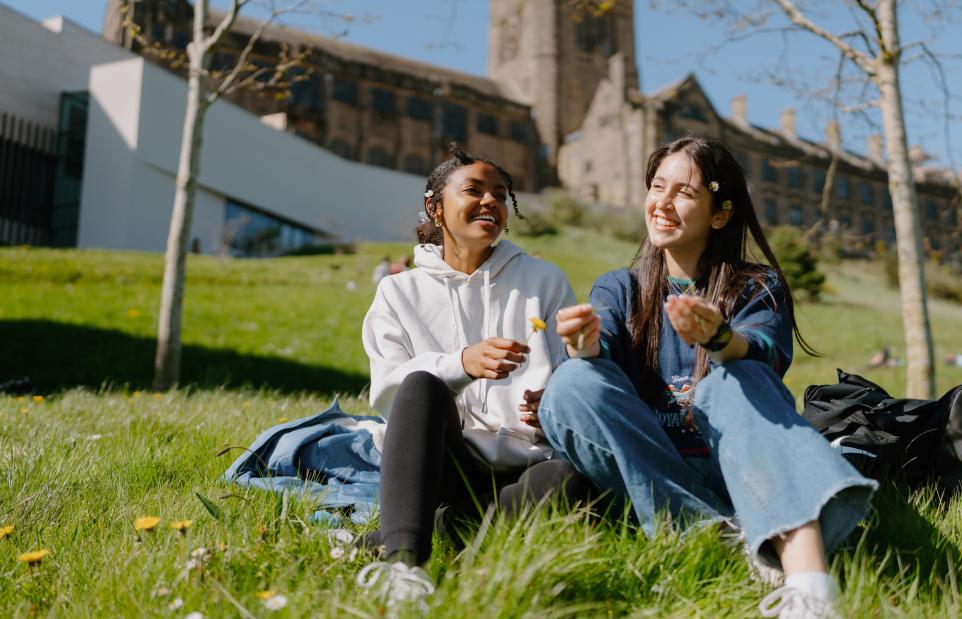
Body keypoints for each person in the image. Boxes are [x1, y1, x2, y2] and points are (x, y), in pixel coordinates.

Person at [540, 136, 877, 618]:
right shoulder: (620, 287)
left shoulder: (756, 285)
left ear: (720, 214)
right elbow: (602, 353)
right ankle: (722, 532)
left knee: (732, 377)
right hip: (648, 468)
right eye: (657, 186)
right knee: (572, 383)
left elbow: (763, 353)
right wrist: (583, 342)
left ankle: (811, 590)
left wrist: (720, 339)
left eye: (685, 192)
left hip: (739, 465)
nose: (663, 202)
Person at [359, 144, 589, 606]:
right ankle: (403, 565)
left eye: (500, 195)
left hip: (527, 463)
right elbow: (388, 395)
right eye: (474, 190)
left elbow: (575, 372)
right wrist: (458, 365)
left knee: (573, 481)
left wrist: (555, 407)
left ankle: (441, 523)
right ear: (435, 207)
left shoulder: (543, 280)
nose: (490, 202)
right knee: (421, 384)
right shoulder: (397, 292)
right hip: (440, 463)